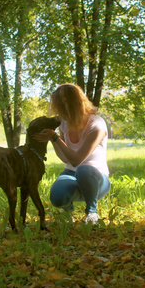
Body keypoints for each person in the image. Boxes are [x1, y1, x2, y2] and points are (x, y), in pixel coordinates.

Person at [34, 83, 111, 224]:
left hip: (97, 179)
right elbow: (66, 158)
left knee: (84, 170)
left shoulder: (96, 125)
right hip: (71, 174)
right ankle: (68, 210)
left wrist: (56, 137)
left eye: (60, 108)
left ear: (71, 106)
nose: (58, 112)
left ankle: (91, 212)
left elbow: (76, 160)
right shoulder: (65, 124)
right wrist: (53, 139)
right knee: (57, 196)